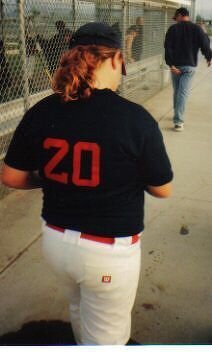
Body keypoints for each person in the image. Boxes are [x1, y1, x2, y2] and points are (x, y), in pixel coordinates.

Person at [1, 22, 173, 345]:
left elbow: (10, 176)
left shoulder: (43, 110)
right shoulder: (134, 118)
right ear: (116, 58)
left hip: (56, 243)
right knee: (106, 341)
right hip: (107, 254)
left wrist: (50, 177)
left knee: (79, 309)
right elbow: (163, 188)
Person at [164, 7, 212, 132]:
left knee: (177, 91)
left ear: (180, 15)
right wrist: (209, 57)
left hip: (176, 66)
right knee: (182, 93)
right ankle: (178, 121)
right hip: (189, 66)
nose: (176, 21)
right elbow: (205, 43)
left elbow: (167, 47)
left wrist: (171, 65)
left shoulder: (173, 29)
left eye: (176, 18)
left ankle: (177, 116)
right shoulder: (197, 29)